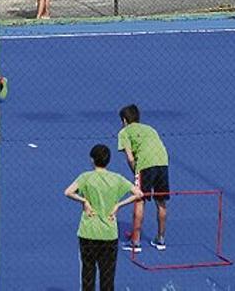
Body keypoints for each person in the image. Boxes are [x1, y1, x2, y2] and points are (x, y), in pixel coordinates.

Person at [64, 144, 143, 291]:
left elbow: (68, 192)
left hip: (88, 233)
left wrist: (84, 201)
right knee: (107, 278)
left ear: (92, 160)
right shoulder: (117, 179)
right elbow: (138, 194)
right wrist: (118, 205)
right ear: (108, 161)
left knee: (87, 275)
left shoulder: (85, 177)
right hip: (108, 235)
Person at [118, 104, 170, 253]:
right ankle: (161, 240)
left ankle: (136, 242)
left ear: (124, 120)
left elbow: (129, 157)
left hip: (145, 165)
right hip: (163, 162)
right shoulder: (150, 129)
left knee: (139, 200)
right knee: (161, 201)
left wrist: (135, 171)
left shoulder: (124, 132)